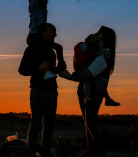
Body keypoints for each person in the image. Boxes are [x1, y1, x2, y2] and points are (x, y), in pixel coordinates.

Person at [71, 26, 117, 157]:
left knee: (91, 122)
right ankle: (92, 150)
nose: (97, 33)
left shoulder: (106, 52)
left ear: (105, 36)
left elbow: (89, 70)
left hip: (95, 92)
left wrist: (73, 75)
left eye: (100, 32)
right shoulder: (96, 50)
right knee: (88, 121)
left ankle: (98, 152)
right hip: (84, 88)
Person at [22, 23, 65, 157]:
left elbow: (57, 70)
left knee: (49, 126)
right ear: (44, 32)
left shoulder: (53, 50)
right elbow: (22, 70)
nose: (55, 34)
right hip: (38, 91)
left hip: (52, 91)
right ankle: (30, 153)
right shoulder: (31, 49)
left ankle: (45, 152)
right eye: (53, 31)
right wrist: (38, 70)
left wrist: (60, 54)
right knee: (36, 124)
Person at [27, 0, 67, 80]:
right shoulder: (34, 7)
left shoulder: (44, 8)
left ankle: (61, 69)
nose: (46, 0)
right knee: (45, 54)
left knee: (58, 48)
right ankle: (47, 72)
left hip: (41, 37)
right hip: (34, 37)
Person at [73, 35, 120, 106]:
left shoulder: (91, 49)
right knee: (87, 81)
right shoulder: (86, 47)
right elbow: (83, 57)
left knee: (88, 82)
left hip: (84, 69)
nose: (95, 41)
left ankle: (106, 99)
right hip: (83, 68)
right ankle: (89, 98)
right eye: (93, 39)